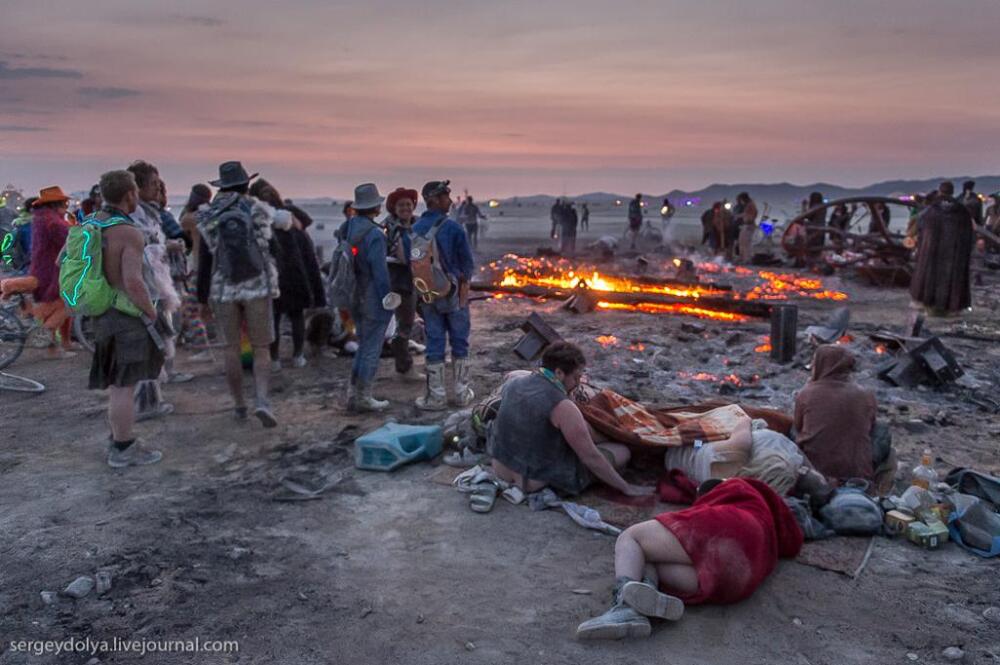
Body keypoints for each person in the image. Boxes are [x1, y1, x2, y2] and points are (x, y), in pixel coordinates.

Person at [575, 477, 802, 640]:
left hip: (732, 528)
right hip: (739, 579)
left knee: (630, 538)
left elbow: (700, 504)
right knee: (647, 558)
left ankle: (623, 608)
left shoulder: (734, 486)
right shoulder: (768, 525)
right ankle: (645, 595)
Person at [196, 161, 291, 427]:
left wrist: (202, 297)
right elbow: (274, 248)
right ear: (246, 184)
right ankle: (262, 400)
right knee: (261, 348)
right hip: (257, 285)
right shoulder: (258, 209)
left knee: (231, 348)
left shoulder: (207, 215)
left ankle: (239, 404)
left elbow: (205, 260)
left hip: (223, 288)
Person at [489, 342, 651, 497]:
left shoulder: (514, 383)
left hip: (500, 468)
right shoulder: (561, 405)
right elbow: (590, 457)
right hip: (531, 481)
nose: (578, 383)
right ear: (559, 373)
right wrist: (626, 488)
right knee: (622, 451)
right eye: (576, 377)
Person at [87, 170, 165, 468]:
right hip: (124, 315)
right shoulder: (127, 231)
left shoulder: (91, 224)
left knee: (117, 383)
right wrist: (150, 310)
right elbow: (133, 281)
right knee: (124, 385)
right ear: (130, 194)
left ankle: (117, 437)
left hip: (100, 311)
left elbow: (62, 261)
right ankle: (123, 447)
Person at [126, 161, 188, 419]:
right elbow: (140, 252)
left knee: (157, 345)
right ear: (138, 187)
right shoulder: (136, 215)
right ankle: (146, 404)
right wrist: (169, 248)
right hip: (147, 289)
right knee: (151, 347)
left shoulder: (145, 213)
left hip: (154, 287)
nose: (157, 187)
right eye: (153, 183)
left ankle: (151, 400)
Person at [250, 178, 326, 370]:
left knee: (273, 318)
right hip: (296, 272)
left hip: (273, 273)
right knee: (296, 316)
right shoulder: (290, 215)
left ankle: (274, 359)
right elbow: (307, 226)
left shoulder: (256, 217)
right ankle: (297, 356)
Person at [413, 180, 475, 410]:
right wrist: (460, 287)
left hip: (428, 294)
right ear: (434, 200)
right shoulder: (454, 229)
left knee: (435, 342)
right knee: (460, 342)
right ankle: (461, 393)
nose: (450, 201)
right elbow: (468, 266)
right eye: (445, 196)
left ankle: (436, 396)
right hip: (455, 293)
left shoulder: (416, 228)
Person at [337, 183, 397, 411]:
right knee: (372, 347)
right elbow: (379, 272)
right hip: (372, 295)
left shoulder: (347, 227)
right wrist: (387, 298)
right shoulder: (374, 234)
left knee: (363, 344)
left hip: (353, 293)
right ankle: (364, 396)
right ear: (375, 206)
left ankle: (354, 393)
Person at [794, 345, 880, 483]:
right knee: (882, 433)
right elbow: (871, 425)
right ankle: (879, 488)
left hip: (816, 472)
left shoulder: (806, 393)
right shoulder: (866, 394)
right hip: (859, 474)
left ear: (821, 365)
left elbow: (798, 427)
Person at [909, 181, 975, 316]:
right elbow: (969, 234)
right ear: (952, 192)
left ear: (940, 191)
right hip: (954, 254)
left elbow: (919, 229)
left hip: (932, 252)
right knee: (952, 277)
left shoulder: (929, 211)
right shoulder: (962, 212)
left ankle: (928, 303)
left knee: (930, 275)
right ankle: (952, 307)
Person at [29, 186, 76, 358]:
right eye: (65, 203)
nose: (67, 205)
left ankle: (62, 344)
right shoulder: (53, 222)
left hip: (41, 268)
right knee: (67, 305)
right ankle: (49, 341)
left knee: (54, 307)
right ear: (57, 204)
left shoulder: (40, 219)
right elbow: (72, 238)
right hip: (53, 271)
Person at [384, 187, 423, 381]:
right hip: (399, 282)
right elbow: (401, 256)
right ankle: (404, 369)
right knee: (404, 325)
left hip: (416, 280)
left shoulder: (416, 225)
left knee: (411, 321)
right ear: (394, 207)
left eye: (408, 204)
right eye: (401, 205)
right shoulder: (390, 228)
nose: (406, 208)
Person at [735, 192, 758, 264]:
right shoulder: (749, 204)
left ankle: (747, 259)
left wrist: (738, 216)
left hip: (749, 225)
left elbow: (748, 214)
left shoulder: (750, 205)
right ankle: (743, 257)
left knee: (746, 243)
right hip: (746, 225)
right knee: (741, 242)